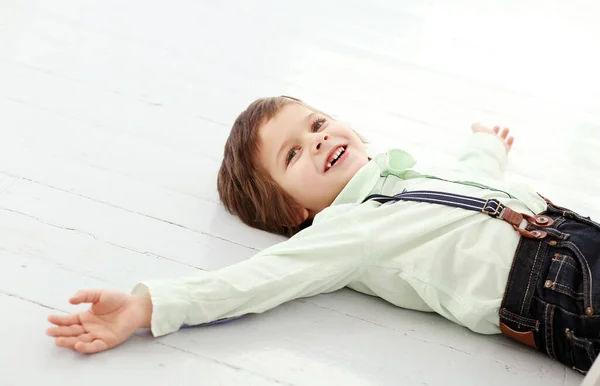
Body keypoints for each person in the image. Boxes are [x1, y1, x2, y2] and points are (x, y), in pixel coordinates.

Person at [46, 96, 600, 374]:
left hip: (576, 234)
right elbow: (250, 281)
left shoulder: (400, 171)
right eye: (293, 154)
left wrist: (485, 149)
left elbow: (471, 180)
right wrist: (146, 305)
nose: (316, 140)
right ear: (291, 210)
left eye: (315, 125)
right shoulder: (343, 233)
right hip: (551, 291)